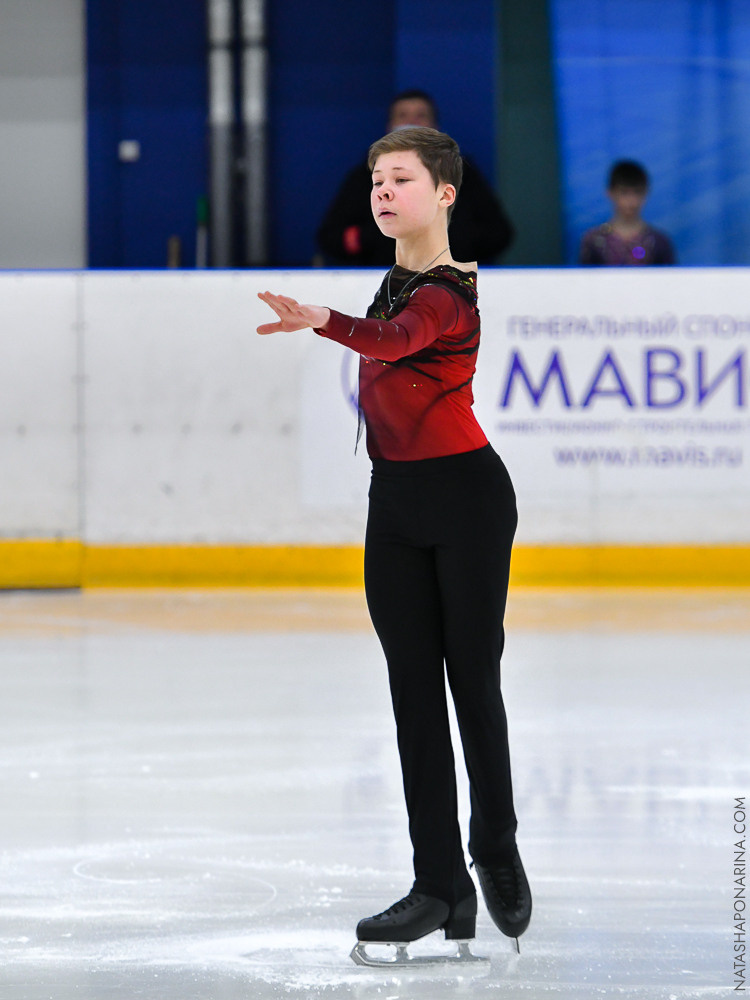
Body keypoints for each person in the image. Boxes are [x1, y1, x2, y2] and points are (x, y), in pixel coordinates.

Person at [257, 126, 531, 963]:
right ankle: (439, 884)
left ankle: (496, 846)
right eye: (375, 179)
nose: (382, 191)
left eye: (400, 179)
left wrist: (322, 321)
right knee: (414, 695)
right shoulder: (396, 280)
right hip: (398, 508)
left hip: (468, 503)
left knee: (471, 685)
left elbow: (395, 343)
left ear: (444, 195)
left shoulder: (445, 293)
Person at [316, 90, 515, 267]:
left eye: (420, 116)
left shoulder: (462, 172)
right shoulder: (363, 175)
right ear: (389, 126)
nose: (411, 123)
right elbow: (332, 238)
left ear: (435, 126)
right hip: (379, 278)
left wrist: (454, 240)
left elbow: (498, 233)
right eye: (402, 116)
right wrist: (380, 236)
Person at [579, 159, 676, 266]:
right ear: (610, 193)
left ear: (646, 193)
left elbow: (669, 280)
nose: (631, 201)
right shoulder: (594, 241)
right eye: (624, 193)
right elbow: (584, 280)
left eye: (637, 192)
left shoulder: (658, 242)